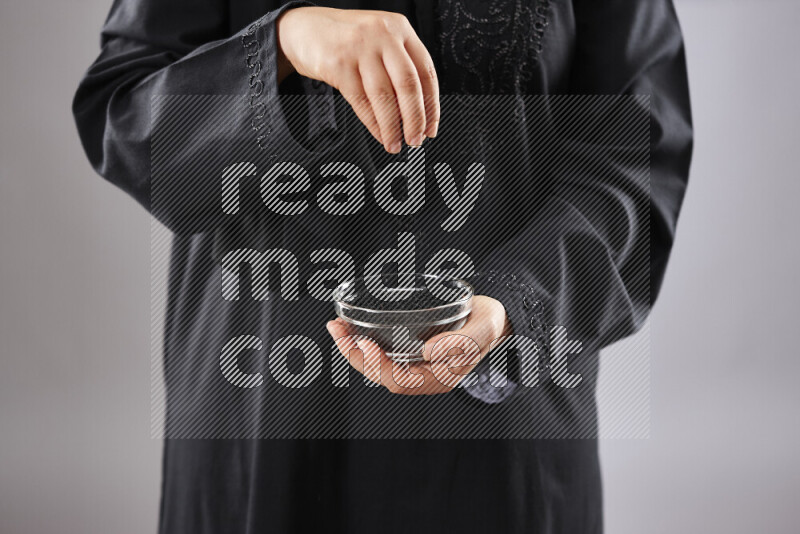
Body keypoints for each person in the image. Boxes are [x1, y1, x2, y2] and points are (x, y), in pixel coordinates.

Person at [73, 1, 692, 532]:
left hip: (505, 428)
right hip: (261, 425)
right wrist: (285, 44)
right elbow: (126, 123)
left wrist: (515, 303)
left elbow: (636, 152)